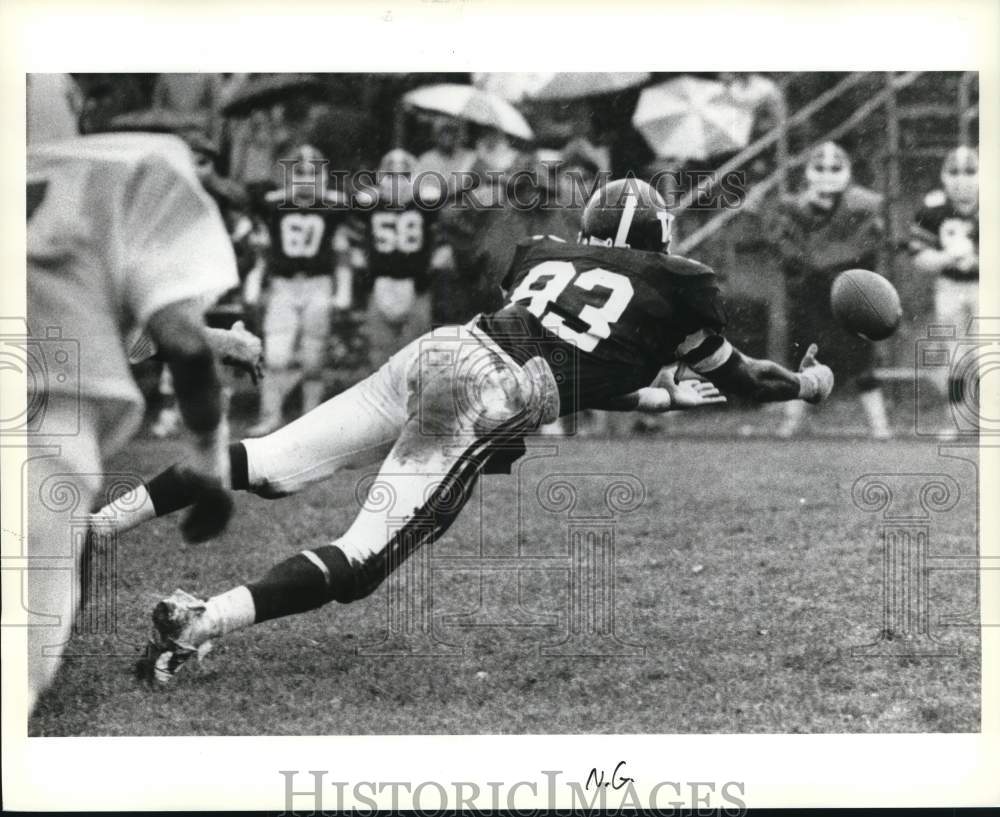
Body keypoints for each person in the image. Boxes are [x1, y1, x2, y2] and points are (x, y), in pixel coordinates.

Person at [103, 179, 833, 685]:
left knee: (271, 460)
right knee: (361, 558)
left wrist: (654, 394)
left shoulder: (549, 256)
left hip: (444, 349)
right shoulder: (676, 287)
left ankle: (101, 525)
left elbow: (573, 353)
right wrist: (805, 383)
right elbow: (739, 378)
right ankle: (200, 621)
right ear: (662, 239)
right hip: (485, 395)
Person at [24, 132, 241, 711]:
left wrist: (215, 337)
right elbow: (175, 339)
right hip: (40, 427)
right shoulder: (132, 172)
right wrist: (207, 459)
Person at [766, 141, 892, 439]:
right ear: (808, 172)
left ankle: (880, 425)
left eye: (835, 168)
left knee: (861, 358)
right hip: (811, 294)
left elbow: (858, 250)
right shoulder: (792, 207)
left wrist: (813, 228)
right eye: (819, 167)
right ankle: (793, 420)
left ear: (848, 172)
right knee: (804, 355)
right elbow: (785, 250)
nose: (826, 174)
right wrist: (807, 214)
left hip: (851, 294)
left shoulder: (865, 205)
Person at [247, 145, 352, 436]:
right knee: (276, 356)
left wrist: (343, 289)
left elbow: (342, 251)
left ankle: (311, 419)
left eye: (312, 172)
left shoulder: (333, 207)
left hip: (318, 285)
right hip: (283, 286)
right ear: (289, 175)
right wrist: (255, 282)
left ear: (323, 175)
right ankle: (271, 416)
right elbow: (264, 252)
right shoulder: (274, 205)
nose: (306, 179)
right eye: (300, 172)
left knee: (313, 359)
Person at [908, 146, 979, 439]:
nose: (961, 179)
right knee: (955, 354)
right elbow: (919, 256)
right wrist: (949, 258)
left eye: (969, 171)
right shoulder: (932, 209)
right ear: (942, 176)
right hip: (949, 286)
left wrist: (978, 259)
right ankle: (958, 419)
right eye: (954, 172)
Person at [347, 149, 442, 368]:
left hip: (416, 284)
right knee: (379, 355)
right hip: (380, 282)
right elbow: (349, 229)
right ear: (381, 177)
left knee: (415, 355)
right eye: (391, 176)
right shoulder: (369, 203)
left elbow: (443, 232)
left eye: (404, 176)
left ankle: (410, 402)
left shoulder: (427, 202)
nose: (397, 183)